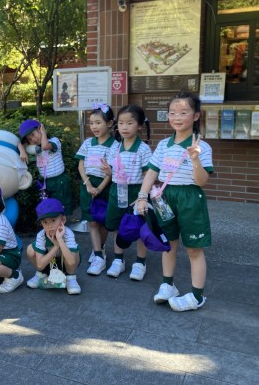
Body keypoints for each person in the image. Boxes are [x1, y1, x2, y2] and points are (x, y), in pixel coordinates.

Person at [136, 92, 214, 312]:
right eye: (172, 113)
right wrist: (142, 197)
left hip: (190, 198)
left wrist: (195, 159)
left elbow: (202, 181)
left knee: (194, 249)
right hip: (164, 196)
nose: (176, 117)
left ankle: (197, 296)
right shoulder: (163, 145)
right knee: (168, 244)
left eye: (183, 112)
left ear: (196, 116)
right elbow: (152, 172)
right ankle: (168, 285)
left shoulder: (202, 146)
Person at [103, 105, 152, 280]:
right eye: (121, 123)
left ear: (140, 126)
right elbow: (113, 171)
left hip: (137, 192)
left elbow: (148, 175)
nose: (124, 127)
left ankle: (140, 262)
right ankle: (118, 259)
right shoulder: (115, 147)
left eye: (130, 123)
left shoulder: (143, 149)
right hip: (117, 190)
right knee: (118, 225)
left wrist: (142, 196)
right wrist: (108, 171)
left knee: (140, 226)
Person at [74, 103, 118, 276]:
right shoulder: (87, 143)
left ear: (109, 123)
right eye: (91, 123)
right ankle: (99, 255)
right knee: (92, 221)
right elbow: (80, 165)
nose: (94, 127)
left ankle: (100, 248)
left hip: (105, 186)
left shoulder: (114, 145)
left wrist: (99, 188)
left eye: (98, 122)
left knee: (103, 221)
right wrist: (88, 184)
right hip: (88, 185)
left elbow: (111, 171)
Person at [18, 119, 74, 216]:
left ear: (40, 128)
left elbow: (45, 146)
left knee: (61, 206)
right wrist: (22, 150)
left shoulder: (54, 141)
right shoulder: (35, 148)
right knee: (50, 208)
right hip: (46, 182)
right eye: (30, 139)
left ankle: (63, 224)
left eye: (33, 134)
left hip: (59, 181)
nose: (33, 139)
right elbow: (19, 143)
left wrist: (43, 133)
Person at [26, 198, 81, 294]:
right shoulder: (41, 235)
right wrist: (55, 247)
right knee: (30, 249)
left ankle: (70, 278)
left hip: (65, 265)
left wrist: (60, 240)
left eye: (53, 220)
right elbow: (40, 265)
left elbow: (72, 262)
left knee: (74, 253)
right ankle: (43, 274)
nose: (49, 226)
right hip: (49, 263)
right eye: (45, 222)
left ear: (63, 220)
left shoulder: (68, 234)